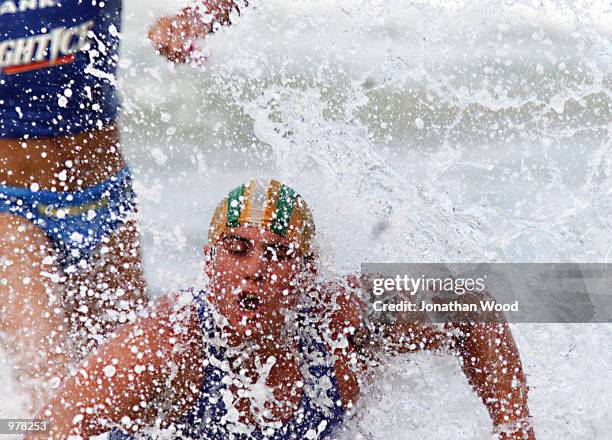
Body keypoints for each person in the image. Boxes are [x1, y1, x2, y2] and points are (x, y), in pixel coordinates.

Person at [33, 179, 536, 440]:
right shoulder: (166, 347)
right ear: (209, 263)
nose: (255, 269)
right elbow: (53, 429)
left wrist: (514, 429)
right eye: (237, 250)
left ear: (307, 271)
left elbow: (471, 306)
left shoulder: (342, 323)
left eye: (276, 254)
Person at [0, 0, 239, 412]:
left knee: (133, 403)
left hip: (106, 202)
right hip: (13, 208)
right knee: (48, 401)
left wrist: (193, 19)